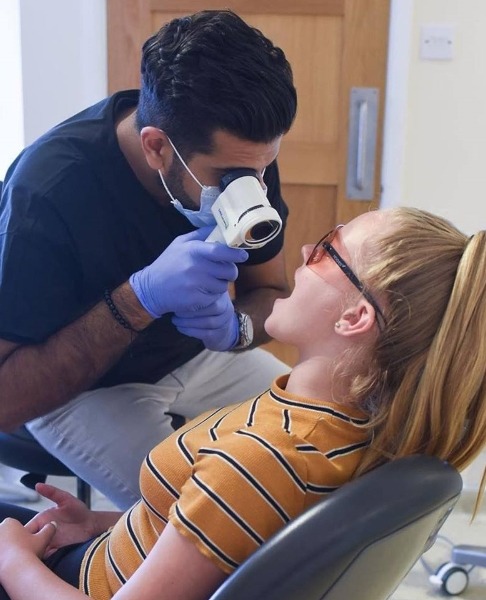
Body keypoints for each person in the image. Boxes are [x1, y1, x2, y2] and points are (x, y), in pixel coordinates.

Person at [0, 206, 485, 600]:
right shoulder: (351, 431)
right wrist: (102, 524)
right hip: (99, 553)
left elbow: (236, 495)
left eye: (326, 251)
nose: (301, 250)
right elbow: (226, 535)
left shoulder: (262, 460)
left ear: (354, 317)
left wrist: (14, 562)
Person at [0, 10, 298, 509]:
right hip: (83, 391)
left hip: (199, 359)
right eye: (230, 176)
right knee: (212, 514)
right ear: (157, 148)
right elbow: (7, 399)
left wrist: (237, 329)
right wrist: (138, 299)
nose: (253, 189)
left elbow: (270, 292)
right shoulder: (47, 194)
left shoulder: (245, 160)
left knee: (332, 446)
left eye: (264, 168)